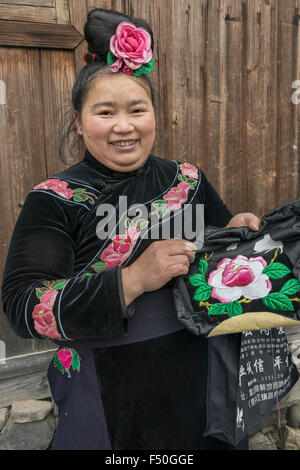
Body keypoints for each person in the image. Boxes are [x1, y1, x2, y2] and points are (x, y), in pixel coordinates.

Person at [1, 8, 261, 450]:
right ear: (81, 124)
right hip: (106, 388)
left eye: (137, 109)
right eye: (105, 112)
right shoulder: (57, 198)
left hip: (199, 375)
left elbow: (221, 268)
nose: (124, 125)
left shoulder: (188, 181)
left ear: (154, 115)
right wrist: (133, 279)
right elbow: (24, 307)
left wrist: (236, 231)